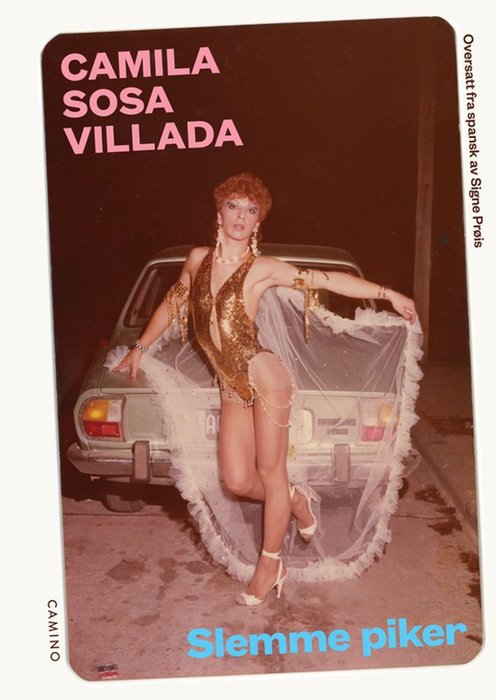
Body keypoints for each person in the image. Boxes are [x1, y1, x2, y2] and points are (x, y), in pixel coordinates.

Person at [115, 173, 416, 606]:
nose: (241, 216)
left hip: (267, 380)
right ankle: (296, 499)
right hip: (230, 384)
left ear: (258, 222)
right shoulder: (197, 260)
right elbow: (174, 301)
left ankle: (270, 564)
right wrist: (140, 347)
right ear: (219, 213)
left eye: (251, 210)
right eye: (233, 206)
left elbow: (327, 280)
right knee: (237, 479)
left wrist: (388, 294)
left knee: (271, 473)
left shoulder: (262, 269)